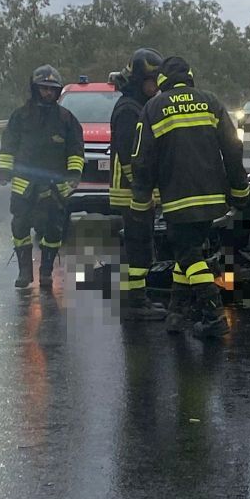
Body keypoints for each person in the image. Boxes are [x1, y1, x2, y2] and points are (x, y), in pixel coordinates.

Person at [130, 56, 250, 338]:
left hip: (178, 197)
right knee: (189, 251)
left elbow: (141, 159)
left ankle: (213, 316)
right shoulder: (210, 101)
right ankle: (177, 312)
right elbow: (233, 149)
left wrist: (140, 201)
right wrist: (240, 191)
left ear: (162, 80)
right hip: (212, 196)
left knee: (188, 254)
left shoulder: (154, 107)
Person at [0, 65, 85, 289]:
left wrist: (74, 175)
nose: (48, 93)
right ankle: (24, 271)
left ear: (57, 92)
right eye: (43, 88)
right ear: (35, 88)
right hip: (23, 184)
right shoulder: (20, 116)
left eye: (52, 89)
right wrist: (4, 171)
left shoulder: (67, 119)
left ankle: (46, 271)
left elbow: (75, 151)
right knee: (20, 226)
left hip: (56, 186)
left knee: (54, 230)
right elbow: (8, 146)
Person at [110, 47, 166, 320]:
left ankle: (139, 296)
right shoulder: (128, 110)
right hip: (130, 192)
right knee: (138, 245)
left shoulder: (138, 105)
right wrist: (141, 190)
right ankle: (135, 302)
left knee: (142, 243)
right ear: (138, 80)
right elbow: (129, 154)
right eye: (151, 81)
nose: (155, 87)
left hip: (137, 191)